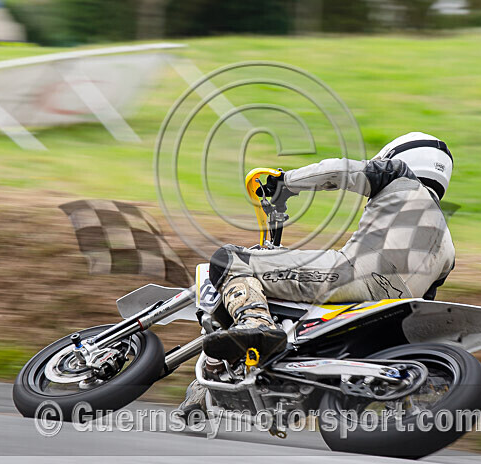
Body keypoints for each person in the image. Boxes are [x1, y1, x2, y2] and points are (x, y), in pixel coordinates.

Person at [180, 132, 455, 411]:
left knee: (230, 259)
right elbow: (426, 301)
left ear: (399, 155)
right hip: (391, 310)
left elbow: (340, 171)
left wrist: (286, 182)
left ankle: (256, 323)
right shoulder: (448, 245)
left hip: (351, 274)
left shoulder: (398, 175)